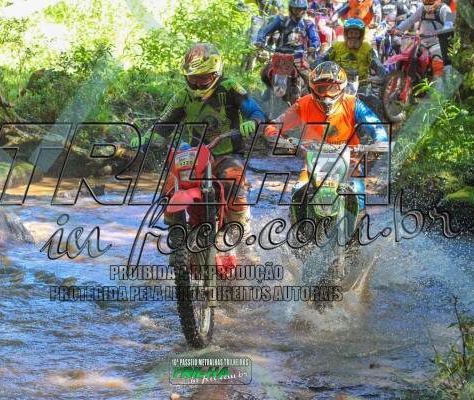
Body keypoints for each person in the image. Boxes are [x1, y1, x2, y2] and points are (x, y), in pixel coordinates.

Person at [131, 43, 266, 252]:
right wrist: (146, 138)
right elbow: (163, 124)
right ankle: (176, 232)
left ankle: (243, 233)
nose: (197, 84)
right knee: (170, 185)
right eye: (192, 78)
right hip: (195, 156)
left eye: (203, 78)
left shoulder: (230, 88)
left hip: (227, 153)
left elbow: (254, 110)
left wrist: (252, 121)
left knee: (233, 180)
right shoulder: (183, 96)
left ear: (216, 73)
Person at [264, 62, 388, 212]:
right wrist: (278, 138)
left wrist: (380, 141)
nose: (327, 94)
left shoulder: (353, 104)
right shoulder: (303, 104)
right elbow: (275, 125)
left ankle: (358, 224)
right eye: (322, 88)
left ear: (342, 87)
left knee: (356, 192)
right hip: (314, 162)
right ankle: (297, 224)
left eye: (333, 88)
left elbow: (375, 125)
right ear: (313, 88)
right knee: (298, 191)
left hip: (349, 160)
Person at [255, 0, 321, 90]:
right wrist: (260, 41)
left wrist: (313, 46)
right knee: (265, 73)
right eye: (295, 9)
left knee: (311, 80)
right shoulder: (281, 20)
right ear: (290, 9)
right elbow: (265, 30)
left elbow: (315, 38)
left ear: (304, 10)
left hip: (299, 57)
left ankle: (314, 95)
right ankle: (268, 91)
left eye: (300, 9)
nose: (298, 12)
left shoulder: (308, 23)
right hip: (280, 56)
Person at [390, 0, 454, 77]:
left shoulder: (446, 9)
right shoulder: (422, 8)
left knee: (437, 62)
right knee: (409, 57)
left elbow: (450, 23)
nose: (428, 2)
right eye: (426, 1)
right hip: (422, 43)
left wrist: (443, 31)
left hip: (438, 44)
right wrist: (398, 29)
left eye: (430, 1)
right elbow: (410, 20)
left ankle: (439, 82)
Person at [319, 18, 388, 80]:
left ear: (361, 35)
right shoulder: (337, 46)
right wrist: (318, 65)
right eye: (351, 33)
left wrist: (382, 73)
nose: (353, 36)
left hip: (362, 84)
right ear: (346, 34)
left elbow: (376, 63)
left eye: (356, 33)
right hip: (338, 83)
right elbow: (322, 59)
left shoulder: (367, 48)